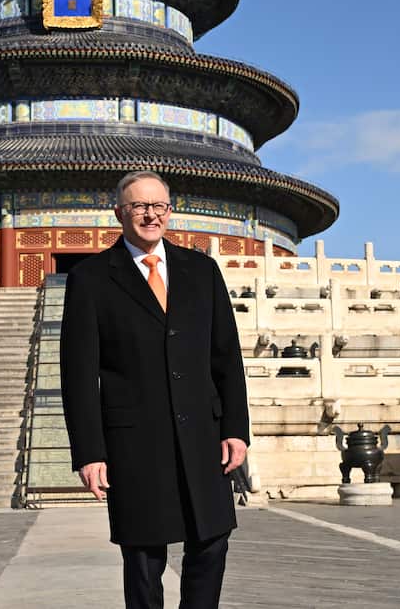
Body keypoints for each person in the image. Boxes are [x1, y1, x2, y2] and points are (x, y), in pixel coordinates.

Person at [60, 170, 249, 609]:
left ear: (170, 211)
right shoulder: (91, 278)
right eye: (139, 207)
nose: (151, 215)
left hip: (204, 434)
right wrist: (90, 452)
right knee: (144, 557)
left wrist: (236, 429)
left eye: (159, 206)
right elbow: (78, 373)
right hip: (134, 440)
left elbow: (226, 357)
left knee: (212, 543)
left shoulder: (201, 270)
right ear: (119, 213)